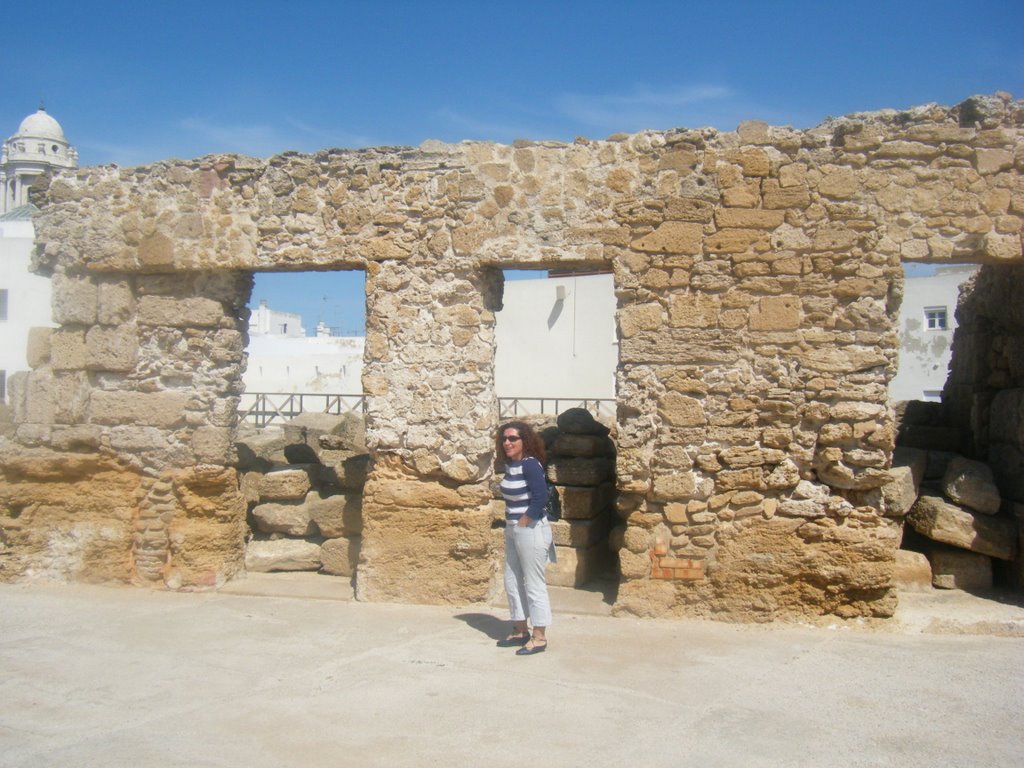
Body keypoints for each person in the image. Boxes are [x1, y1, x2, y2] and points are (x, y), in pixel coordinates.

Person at [495, 420, 554, 656]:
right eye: (504, 438)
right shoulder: (512, 464)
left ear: (524, 441)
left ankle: (539, 637)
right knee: (511, 579)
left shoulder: (530, 465)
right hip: (513, 528)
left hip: (530, 529)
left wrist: (525, 519)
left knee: (534, 583)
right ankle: (521, 629)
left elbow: (541, 497)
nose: (507, 442)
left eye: (513, 439)